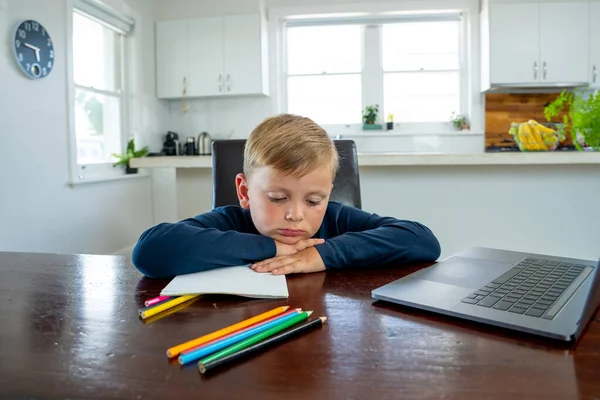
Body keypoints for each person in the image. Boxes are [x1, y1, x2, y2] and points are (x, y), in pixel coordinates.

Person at [132, 114, 441, 279]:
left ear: (327, 195)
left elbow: (422, 240)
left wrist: (320, 255)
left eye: (313, 200)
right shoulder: (230, 221)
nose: (296, 214)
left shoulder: (336, 218)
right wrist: (272, 247)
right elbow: (150, 250)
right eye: (278, 198)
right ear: (245, 192)